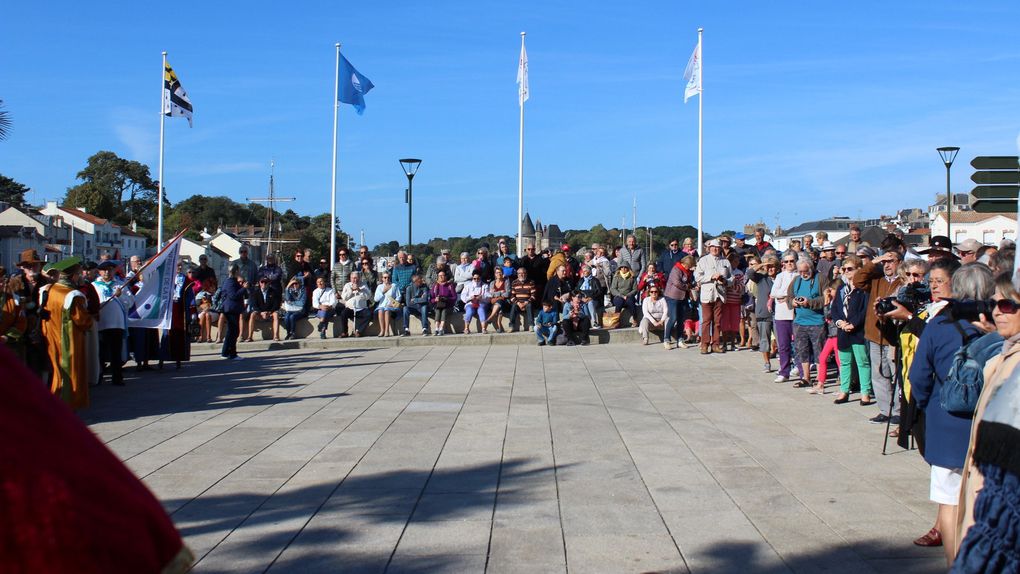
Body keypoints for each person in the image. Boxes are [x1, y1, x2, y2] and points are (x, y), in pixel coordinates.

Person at [909, 261, 992, 564]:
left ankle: (956, 565)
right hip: (986, 418)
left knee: (948, 500)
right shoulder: (999, 325)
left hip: (945, 418)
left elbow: (918, 376)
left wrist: (924, 405)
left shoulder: (938, 325)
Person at [954, 271, 1020, 571]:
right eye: (994, 303)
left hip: (999, 507)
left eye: (1008, 306)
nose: (996, 311)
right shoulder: (1005, 354)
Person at [38, 257, 93, 409]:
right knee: (70, 373)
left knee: (56, 371)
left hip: (50, 336)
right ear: (73, 276)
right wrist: (90, 317)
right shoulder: (72, 295)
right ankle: (68, 403)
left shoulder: (47, 290)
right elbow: (82, 321)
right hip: (68, 340)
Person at [830, 255, 871, 403]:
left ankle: (865, 391)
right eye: (844, 269)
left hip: (858, 330)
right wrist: (840, 323)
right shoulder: (841, 288)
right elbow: (834, 309)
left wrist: (853, 324)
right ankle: (844, 390)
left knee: (862, 362)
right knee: (845, 362)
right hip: (843, 330)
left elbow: (865, 310)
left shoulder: (864, 288)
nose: (847, 271)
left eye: (850, 269)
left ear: (859, 270)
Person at [93, 260, 133, 386]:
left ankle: (117, 377)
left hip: (116, 324)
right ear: (99, 271)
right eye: (104, 270)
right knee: (100, 352)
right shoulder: (94, 285)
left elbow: (130, 302)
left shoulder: (120, 285)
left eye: (109, 270)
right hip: (101, 324)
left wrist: (121, 295)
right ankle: (98, 376)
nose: (107, 272)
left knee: (116, 352)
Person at [789, 258, 826, 389]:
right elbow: (789, 296)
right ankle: (806, 377)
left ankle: (819, 378)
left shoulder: (820, 278)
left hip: (817, 321)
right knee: (801, 350)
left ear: (811, 268)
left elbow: (826, 299)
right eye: (800, 271)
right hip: (799, 322)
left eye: (806, 271)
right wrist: (792, 302)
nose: (803, 274)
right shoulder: (796, 280)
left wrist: (809, 302)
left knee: (819, 350)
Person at [694, 239, 732, 354]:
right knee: (706, 321)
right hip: (707, 295)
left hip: (719, 295)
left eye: (717, 247)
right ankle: (704, 344)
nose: (715, 249)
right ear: (709, 248)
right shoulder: (703, 261)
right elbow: (698, 277)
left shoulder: (725, 262)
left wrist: (724, 281)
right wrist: (711, 277)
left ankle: (715, 344)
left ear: (720, 248)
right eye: (713, 247)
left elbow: (732, 279)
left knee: (718, 321)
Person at [770, 252, 799, 380]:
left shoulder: (800, 275)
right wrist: (788, 294)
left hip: (797, 314)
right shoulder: (780, 276)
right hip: (782, 315)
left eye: (791, 261)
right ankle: (784, 371)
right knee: (783, 345)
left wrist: (785, 295)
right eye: (786, 261)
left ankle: (800, 368)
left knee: (799, 344)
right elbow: (774, 293)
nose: (789, 264)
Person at [159, 266, 194, 369]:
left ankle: (179, 360)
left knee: (180, 336)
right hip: (169, 312)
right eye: (177, 265)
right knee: (166, 337)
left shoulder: (185, 280)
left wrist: (193, 312)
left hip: (181, 311)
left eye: (180, 265)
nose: (178, 267)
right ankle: (162, 360)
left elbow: (190, 296)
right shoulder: (167, 278)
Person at [664, 255, 695, 349]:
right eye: (688, 266)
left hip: (683, 297)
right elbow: (677, 282)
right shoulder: (676, 269)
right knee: (673, 317)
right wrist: (687, 287)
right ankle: (666, 339)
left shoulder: (688, 271)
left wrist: (692, 285)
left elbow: (689, 281)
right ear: (685, 263)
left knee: (681, 319)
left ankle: (680, 339)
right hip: (672, 296)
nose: (689, 268)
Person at [220, 265, 248, 360]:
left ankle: (225, 352)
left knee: (231, 331)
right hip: (231, 309)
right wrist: (243, 288)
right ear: (235, 271)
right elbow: (233, 295)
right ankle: (232, 353)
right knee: (234, 331)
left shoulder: (232, 281)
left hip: (233, 308)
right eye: (238, 271)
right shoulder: (230, 282)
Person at [721, 252, 746, 351]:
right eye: (734, 261)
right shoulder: (725, 272)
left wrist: (733, 283)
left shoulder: (739, 273)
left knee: (734, 323)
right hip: (725, 301)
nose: (736, 263)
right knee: (725, 323)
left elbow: (741, 287)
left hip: (736, 301)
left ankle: (732, 343)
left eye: (737, 261)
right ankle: (724, 343)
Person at [246, 277, 281, 342]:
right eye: (262, 282)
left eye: (265, 282)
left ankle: (276, 336)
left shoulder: (273, 292)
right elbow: (254, 305)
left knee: (276, 314)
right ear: (259, 283)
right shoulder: (255, 292)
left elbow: (276, 305)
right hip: (260, 314)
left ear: (268, 283)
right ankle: (249, 337)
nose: (264, 284)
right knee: (253, 314)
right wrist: (261, 313)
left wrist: (269, 312)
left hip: (270, 313)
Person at [340, 271, 372, 338]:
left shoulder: (364, 285)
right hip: (350, 308)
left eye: (356, 278)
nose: (354, 280)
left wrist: (360, 290)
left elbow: (368, 296)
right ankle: (344, 332)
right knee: (343, 314)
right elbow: (344, 297)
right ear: (350, 278)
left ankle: (359, 331)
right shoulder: (347, 285)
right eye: (353, 278)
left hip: (361, 308)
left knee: (369, 314)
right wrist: (351, 290)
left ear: (359, 278)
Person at [609, 263, 640, 328]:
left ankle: (635, 320)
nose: (623, 269)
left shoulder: (632, 277)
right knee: (619, 303)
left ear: (628, 268)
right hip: (618, 296)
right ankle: (617, 321)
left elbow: (635, 289)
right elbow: (613, 289)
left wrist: (628, 295)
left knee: (631, 303)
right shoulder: (616, 276)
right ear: (620, 268)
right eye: (622, 267)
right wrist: (621, 295)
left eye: (625, 267)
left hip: (629, 295)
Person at [575, 265, 605, 329]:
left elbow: (599, 292)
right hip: (583, 299)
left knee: (590, 303)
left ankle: (594, 322)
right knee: (584, 305)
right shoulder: (581, 280)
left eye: (585, 271)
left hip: (594, 299)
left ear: (589, 271)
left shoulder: (595, 280)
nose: (584, 272)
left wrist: (591, 298)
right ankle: (587, 323)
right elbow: (576, 291)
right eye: (583, 271)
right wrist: (582, 298)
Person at [373, 272, 401, 337]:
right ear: (382, 279)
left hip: (391, 306)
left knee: (387, 310)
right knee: (380, 310)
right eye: (385, 277)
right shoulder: (379, 287)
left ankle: (387, 331)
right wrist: (383, 292)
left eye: (388, 277)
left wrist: (393, 303)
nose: (387, 279)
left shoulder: (394, 285)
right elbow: (376, 299)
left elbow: (398, 296)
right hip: (382, 305)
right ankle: (382, 330)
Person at [430, 270, 457, 336]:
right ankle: (436, 329)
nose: (441, 277)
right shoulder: (435, 286)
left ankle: (441, 329)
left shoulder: (450, 285)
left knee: (444, 311)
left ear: (445, 277)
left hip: (448, 306)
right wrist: (435, 300)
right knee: (438, 311)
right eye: (440, 276)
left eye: (443, 275)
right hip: (438, 305)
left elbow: (454, 297)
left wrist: (446, 299)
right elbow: (430, 298)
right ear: (437, 277)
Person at [509, 267, 536, 332]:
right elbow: (512, 296)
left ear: (526, 274)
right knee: (514, 306)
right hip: (518, 303)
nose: (521, 275)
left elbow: (533, 296)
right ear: (517, 274)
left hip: (527, 302)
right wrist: (518, 303)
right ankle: (511, 326)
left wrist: (525, 303)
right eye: (519, 273)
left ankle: (531, 325)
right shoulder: (514, 282)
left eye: (523, 273)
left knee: (529, 305)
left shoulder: (531, 282)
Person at [486, 267, 511, 333]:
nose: (498, 274)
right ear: (495, 274)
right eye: (497, 272)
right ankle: (499, 326)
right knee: (499, 305)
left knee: (500, 303)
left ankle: (491, 317)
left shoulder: (506, 281)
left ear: (502, 273)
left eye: (500, 272)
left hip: (505, 302)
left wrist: (496, 293)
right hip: (495, 303)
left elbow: (507, 294)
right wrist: (501, 292)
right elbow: (491, 294)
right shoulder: (492, 283)